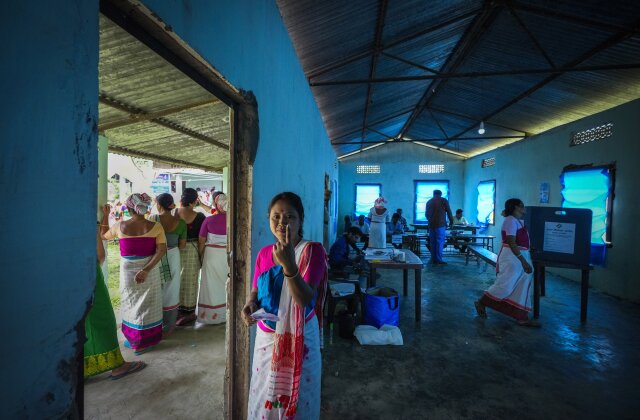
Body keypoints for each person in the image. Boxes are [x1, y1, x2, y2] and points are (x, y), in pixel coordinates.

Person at [242, 192, 327, 419]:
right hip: (266, 340)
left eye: (290, 216)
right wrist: (250, 305)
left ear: (300, 220)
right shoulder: (263, 254)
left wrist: (290, 265)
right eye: (276, 217)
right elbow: (255, 291)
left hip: (299, 341)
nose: (282, 223)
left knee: (297, 403)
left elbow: (304, 300)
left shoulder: (312, 251)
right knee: (264, 399)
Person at [101, 193, 167, 355]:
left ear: (129, 208)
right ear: (144, 208)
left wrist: (105, 216)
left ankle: (134, 340)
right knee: (149, 305)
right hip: (149, 270)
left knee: (130, 303)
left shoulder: (119, 226)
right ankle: (147, 341)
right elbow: (161, 250)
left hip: (127, 271)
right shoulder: (156, 226)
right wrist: (145, 269)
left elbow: (104, 235)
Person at [85, 218, 146, 379]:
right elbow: (99, 256)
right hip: (88, 276)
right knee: (103, 319)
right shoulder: (84, 222)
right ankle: (117, 365)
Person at [474, 199, 539, 327]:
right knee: (505, 285)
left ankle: (521, 316)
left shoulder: (517, 221)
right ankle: (482, 302)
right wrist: (523, 260)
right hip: (512, 258)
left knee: (521, 286)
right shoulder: (510, 220)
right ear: (516, 207)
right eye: (522, 206)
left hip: (519, 256)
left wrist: (528, 249)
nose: (524, 208)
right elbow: (511, 241)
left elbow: (520, 241)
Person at [150, 193, 187, 336]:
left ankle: (154, 323)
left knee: (155, 287)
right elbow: (182, 245)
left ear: (158, 205)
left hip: (156, 256)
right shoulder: (181, 223)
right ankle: (170, 326)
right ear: (171, 205)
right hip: (173, 256)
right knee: (172, 288)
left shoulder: (153, 220)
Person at [176, 188, 207, 326]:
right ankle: (188, 312)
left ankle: (174, 310)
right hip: (192, 250)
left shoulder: (173, 213)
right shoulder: (200, 217)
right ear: (195, 201)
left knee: (176, 280)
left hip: (174, 250)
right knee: (191, 281)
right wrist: (202, 256)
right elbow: (202, 240)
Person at [197, 193, 229, 324]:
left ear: (217, 205)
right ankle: (227, 312)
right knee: (227, 283)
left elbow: (201, 241)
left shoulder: (209, 220)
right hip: (228, 255)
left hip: (211, 256)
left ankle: (211, 316)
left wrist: (200, 257)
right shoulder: (235, 220)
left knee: (210, 285)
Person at [425, 190, 454, 265]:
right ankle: (439, 260)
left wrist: (430, 220)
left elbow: (426, 214)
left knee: (433, 242)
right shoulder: (443, 200)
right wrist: (451, 221)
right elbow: (449, 211)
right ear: (440, 194)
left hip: (431, 225)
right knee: (439, 242)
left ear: (433, 194)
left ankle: (433, 259)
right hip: (440, 225)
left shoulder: (429, 201)